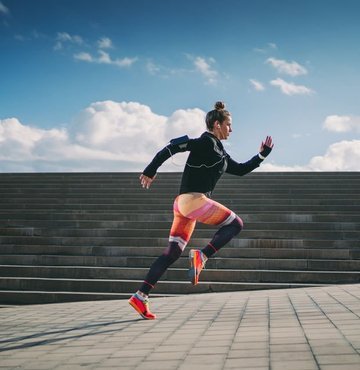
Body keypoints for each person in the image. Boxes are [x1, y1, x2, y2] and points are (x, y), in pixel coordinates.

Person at [129, 101, 274, 320]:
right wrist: (150, 169)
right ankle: (202, 255)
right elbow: (170, 148)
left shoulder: (221, 152)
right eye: (229, 125)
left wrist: (261, 156)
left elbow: (241, 170)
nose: (231, 130)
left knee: (173, 252)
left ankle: (141, 295)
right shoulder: (204, 143)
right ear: (217, 124)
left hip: (183, 205)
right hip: (193, 200)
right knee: (235, 224)